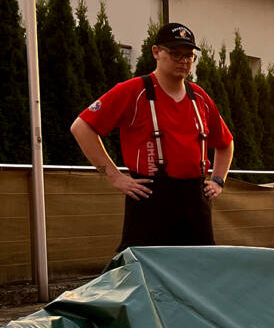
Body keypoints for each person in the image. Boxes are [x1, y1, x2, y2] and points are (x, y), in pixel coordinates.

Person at [70, 22, 234, 252]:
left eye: (189, 55)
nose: (183, 61)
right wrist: (115, 177)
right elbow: (81, 128)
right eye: (175, 53)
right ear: (156, 52)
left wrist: (218, 180)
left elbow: (225, 143)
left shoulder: (200, 97)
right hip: (149, 196)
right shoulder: (133, 90)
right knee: (144, 269)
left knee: (200, 267)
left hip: (195, 199)